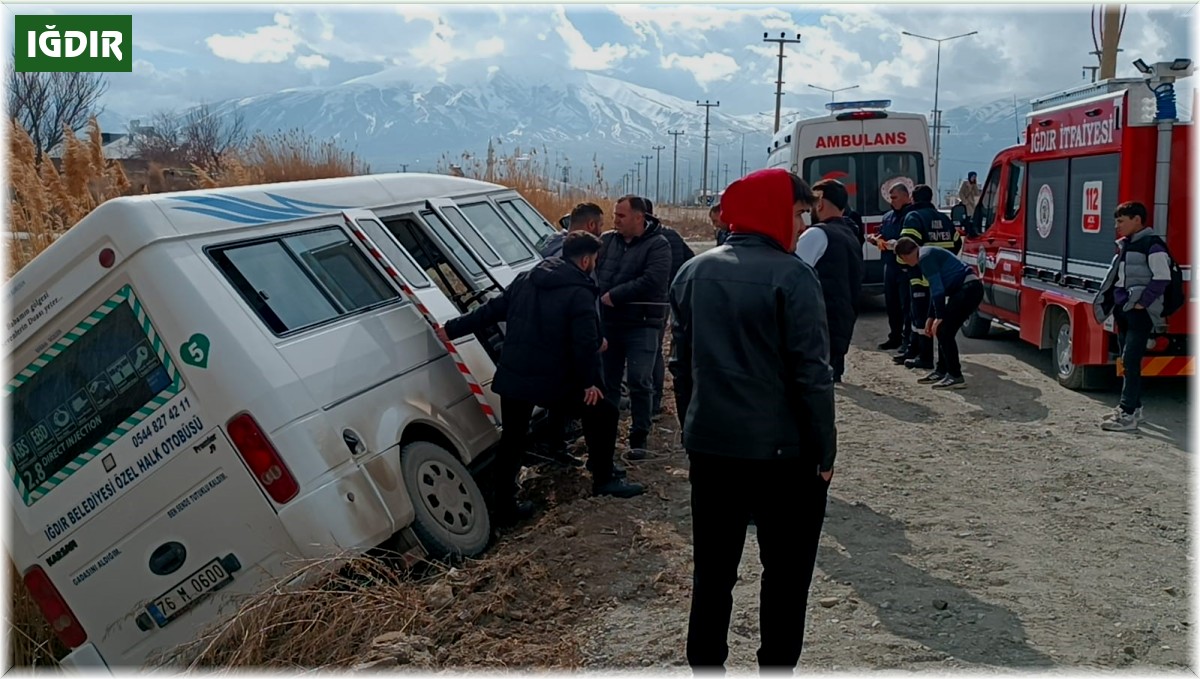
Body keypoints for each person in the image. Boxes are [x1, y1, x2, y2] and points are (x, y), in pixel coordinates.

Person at [670, 168, 836, 672]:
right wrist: (824, 451)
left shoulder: (694, 272)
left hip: (714, 451)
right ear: (771, 210)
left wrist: (693, 431)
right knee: (785, 580)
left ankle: (706, 667)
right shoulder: (793, 276)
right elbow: (812, 374)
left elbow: (682, 368)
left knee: (713, 575)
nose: (803, 223)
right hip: (784, 458)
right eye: (798, 212)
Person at [439, 232, 645, 525]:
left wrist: (450, 329)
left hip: (515, 375)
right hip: (552, 379)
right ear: (586, 260)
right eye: (595, 260)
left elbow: (490, 311)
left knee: (512, 440)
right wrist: (590, 382)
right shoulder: (580, 290)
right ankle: (604, 478)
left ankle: (505, 508)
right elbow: (584, 340)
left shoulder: (526, 278)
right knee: (604, 412)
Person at [597, 195, 672, 458]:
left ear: (639, 218)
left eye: (621, 216)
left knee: (640, 379)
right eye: (615, 215)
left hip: (643, 324)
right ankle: (604, 437)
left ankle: (639, 435)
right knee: (609, 382)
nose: (615, 220)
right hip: (609, 324)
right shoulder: (606, 241)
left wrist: (615, 295)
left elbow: (653, 279)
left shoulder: (658, 245)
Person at [1093, 201, 1173, 432]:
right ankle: (1133, 408)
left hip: (1140, 313)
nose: (1117, 226)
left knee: (1130, 360)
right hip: (1124, 309)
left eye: (1121, 221)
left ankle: (1128, 414)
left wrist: (1142, 303)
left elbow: (1162, 277)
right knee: (1126, 360)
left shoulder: (1153, 245)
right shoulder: (1126, 245)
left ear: (1137, 219)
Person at [796, 179, 863, 383]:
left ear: (820, 202)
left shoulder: (817, 234)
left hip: (819, 329)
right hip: (841, 324)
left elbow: (792, 275)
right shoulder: (849, 234)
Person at [894, 237, 984, 389]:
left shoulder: (924, 258)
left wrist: (939, 317)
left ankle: (955, 375)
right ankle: (942, 370)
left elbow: (938, 290)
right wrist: (931, 317)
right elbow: (934, 289)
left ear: (904, 256)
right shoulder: (925, 253)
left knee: (944, 331)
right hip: (966, 289)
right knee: (943, 331)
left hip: (968, 289)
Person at [896, 184, 962, 370]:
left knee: (920, 320)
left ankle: (924, 357)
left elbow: (905, 247)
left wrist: (904, 267)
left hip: (920, 277)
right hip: (942, 279)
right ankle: (939, 362)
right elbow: (956, 243)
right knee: (938, 320)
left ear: (913, 199)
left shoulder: (913, 217)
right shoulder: (943, 217)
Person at [644, 199, 696, 418]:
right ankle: (655, 401)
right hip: (669, 298)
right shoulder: (672, 235)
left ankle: (652, 402)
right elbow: (690, 259)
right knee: (656, 349)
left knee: (652, 350)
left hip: (650, 300)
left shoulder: (648, 241)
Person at [870, 183, 915, 353]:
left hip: (905, 266)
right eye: (890, 198)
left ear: (905, 196)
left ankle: (907, 340)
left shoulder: (911, 215)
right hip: (889, 265)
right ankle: (894, 336)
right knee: (892, 303)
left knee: (906, 304)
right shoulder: (888, 216)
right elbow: (883, 233)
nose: (892, 201)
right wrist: (876, 239)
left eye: (895, 197)